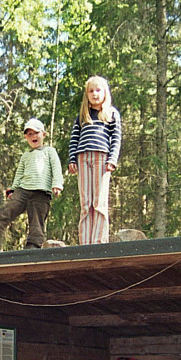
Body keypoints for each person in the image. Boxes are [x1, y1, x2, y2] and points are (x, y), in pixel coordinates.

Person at [0, 118, 63, 250]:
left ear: (44, 134)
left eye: (36, 133)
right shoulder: (26, 155)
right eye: (29, 134)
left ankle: (33, 246)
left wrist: (57, 184)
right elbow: (19, 174)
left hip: (41, 193)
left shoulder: (49, 151)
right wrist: (13, 189)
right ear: (26, 137)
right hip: (23, 190)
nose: (33, 137)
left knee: (37, 220)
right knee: (9, 209)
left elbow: (56, 168)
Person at [67, 76, 122, 245]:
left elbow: (116, 138)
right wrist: (72, 158)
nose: (94, 94)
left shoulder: (111, 113)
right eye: (91, 91)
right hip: (83, 157)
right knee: (86, 203)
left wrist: (112, 159)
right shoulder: (83, 115)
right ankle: (85, 242)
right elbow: (74, 138)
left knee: (99, 202)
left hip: (102, 157)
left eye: (98, 90)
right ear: (87, 94)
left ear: (105, 92)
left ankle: (98, 242)